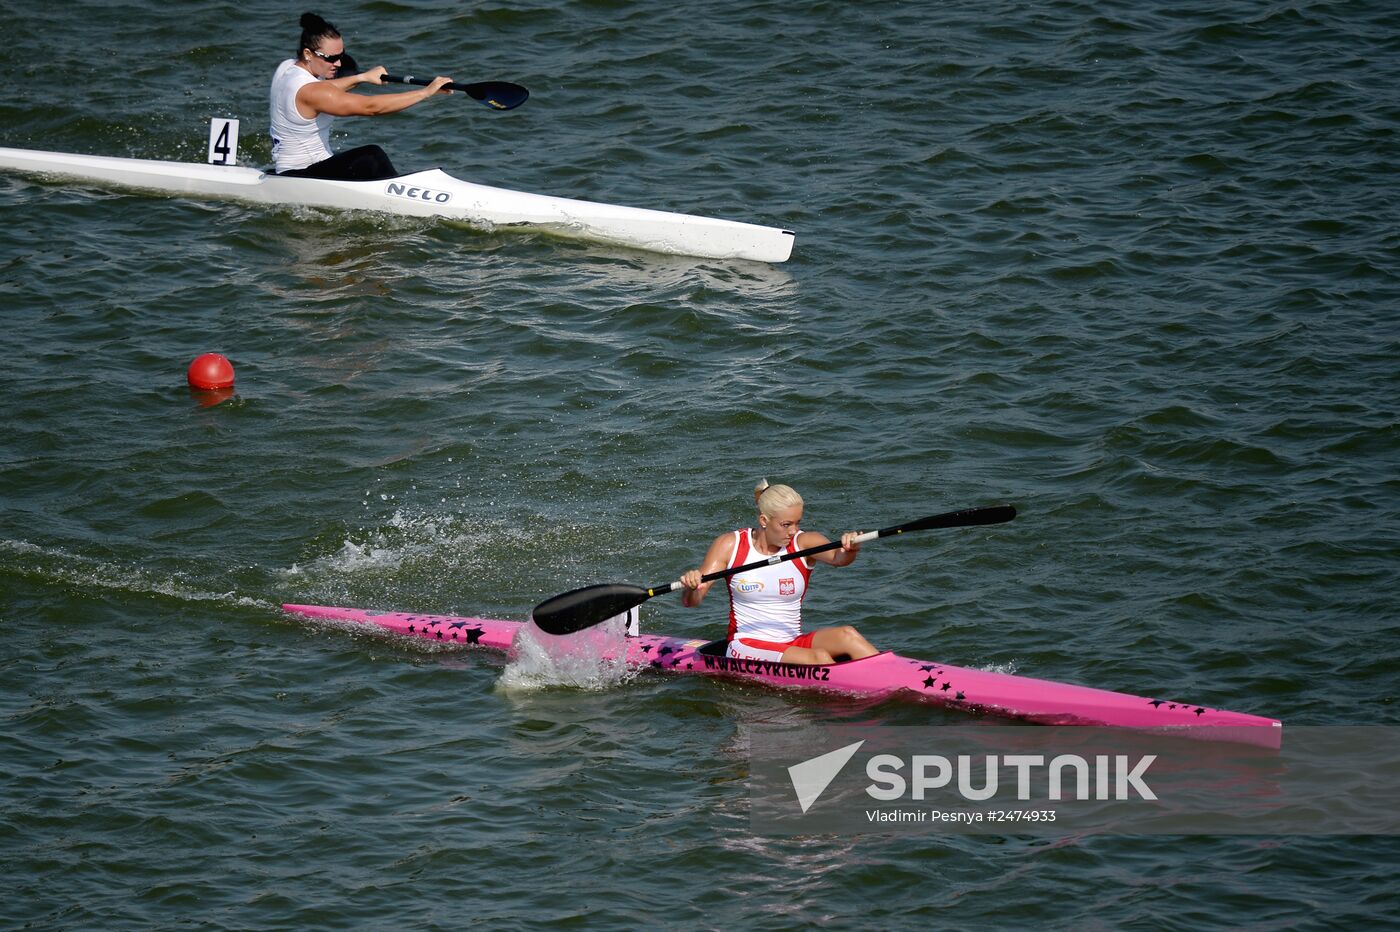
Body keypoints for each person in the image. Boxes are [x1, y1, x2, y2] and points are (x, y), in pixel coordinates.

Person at [679, 480, 879, 664]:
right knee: (819, 658)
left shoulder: (804, 543)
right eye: (786, 525)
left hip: (791, 642)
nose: (793, 531)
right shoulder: (730, 545)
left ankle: (894, 676)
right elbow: (691, 601)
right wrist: (691, 587)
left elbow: (839, 558)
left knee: (847, 635)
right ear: (764, 520)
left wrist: (851, 549)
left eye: (797, 522)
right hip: (745, 645)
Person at [270, 12, 454, 180]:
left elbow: (323, 87)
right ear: (308, 54)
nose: (339, 63)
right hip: (303, 176)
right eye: (331, 58)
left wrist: (362, 77)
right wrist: (426, 92)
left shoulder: (286, 69)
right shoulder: (313, 92)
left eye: (341, 55)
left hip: (290, 170)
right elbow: (371, 107)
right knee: (371, 156)